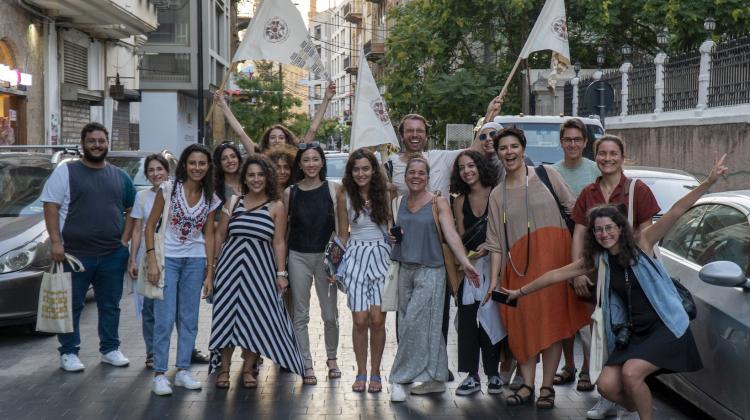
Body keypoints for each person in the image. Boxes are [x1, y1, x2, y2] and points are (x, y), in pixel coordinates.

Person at [502, 154, 727, 420]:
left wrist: (709, 182)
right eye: (598, 230)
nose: (604, 234)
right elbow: (554, 275)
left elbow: (677, 210)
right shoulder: (599, 260)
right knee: (606, 386)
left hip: (663, 325)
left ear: (620, 228)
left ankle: (645, 416)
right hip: (632, 331)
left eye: (609, 228)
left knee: (631, 373)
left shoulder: (642, 244)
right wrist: (519, 292)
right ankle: (637, 408)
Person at [484, 127, 590, 409]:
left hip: (555, 262)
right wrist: (494, 279)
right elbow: (495, 242)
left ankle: (546, 387)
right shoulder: (497, 195)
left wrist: (577, 263)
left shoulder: (545, 175)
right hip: (518, 267)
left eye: (514, 147)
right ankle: (527, 384)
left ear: (523, 149)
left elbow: (575, 211)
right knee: (522, 326)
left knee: (552, 324)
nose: (509, 153)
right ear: (498, 154)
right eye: (503, 148)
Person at [569, 135, 661, 419]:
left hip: (629, 280)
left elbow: (648, 236)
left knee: (627, 339)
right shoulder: (588, 192)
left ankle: (630, 402)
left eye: (613, 153)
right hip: (598, 279)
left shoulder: (636, 190)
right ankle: (607, 396)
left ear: (622, 157)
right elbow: (580, 233)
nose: (607, 158)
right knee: (600, 337)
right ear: (595, 157)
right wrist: (577, 271)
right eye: (602, 154)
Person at [41, 122, 136, 372]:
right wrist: (56, 242)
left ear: (107, 144)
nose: (97, 145)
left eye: (101, 141)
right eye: (92, 141)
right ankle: (69, 352)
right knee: (72, 305)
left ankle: (110, 349)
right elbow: (50, 206)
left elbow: (132, 211)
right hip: (74, 254)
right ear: (83, 144)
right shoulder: (66, 172)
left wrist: (124, 242)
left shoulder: (120, 176)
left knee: (110, 304)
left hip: (112, 254)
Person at [388, 155, 480, 403]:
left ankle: (399, 379)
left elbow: (450, 234)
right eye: (412, 173)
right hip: (405, 270)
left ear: (428, 177)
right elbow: (396, 234)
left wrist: (465, 262)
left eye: (421, 173)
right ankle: (437, 378)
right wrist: (394, 237)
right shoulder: (399, 202)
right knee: (421, 325)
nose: (416, 176)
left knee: (411, 326)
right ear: (405, 176)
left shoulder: (438, 203)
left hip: (432, 270)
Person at [208, 154, 305, 388]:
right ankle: (223, 370)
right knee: (226, 316)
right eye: (251, 175)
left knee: (256, 318)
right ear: (245, 177)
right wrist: (211, 270)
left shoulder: (276, 206)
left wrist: (281, 274)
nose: (256, 179)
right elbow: (220, 235)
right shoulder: (233, 202)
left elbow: (279, 242)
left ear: (268, 177)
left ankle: (249, 369)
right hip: (230, 268)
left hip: (260, 270)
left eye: (260, 174)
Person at [144, 144, 221, 396]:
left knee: (189, 319)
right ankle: (159, 374)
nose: (197, 168)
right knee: (164, 319)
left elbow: (209, 235)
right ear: (185, 165)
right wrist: (152, 261)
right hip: (168, 261)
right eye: (192, 163)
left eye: (202, 163)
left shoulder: (210, 196)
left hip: (196, 261)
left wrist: (210, 272)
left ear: (208, 166)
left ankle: (183, 370)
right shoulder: (168, 189)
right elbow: (149, 227)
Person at [448, 150, 510, 396]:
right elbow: (460, 238)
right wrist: (466, 261)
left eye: (471, 165)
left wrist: (491, 248)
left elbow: (507, 231)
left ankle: (493, 374)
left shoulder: (498, 193)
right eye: (462, 168)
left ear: (480, 167)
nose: (467, 171)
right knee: (467, 321)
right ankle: (471, 376)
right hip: (470, 269)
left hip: (495, 267)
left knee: (493, 320)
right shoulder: (459, 201)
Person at [549, 118, 601, 393]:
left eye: (577, 140)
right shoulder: (550, 172)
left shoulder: (596, 170)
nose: (572, 144)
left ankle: (586, 368)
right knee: (564, 312)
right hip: (559, 249)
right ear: (561, 142)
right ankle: (568, 365)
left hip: (590, 252)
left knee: (587, 313)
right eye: (567, 139)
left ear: (584, 142)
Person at [335, 148, 391, 393]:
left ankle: (376, 373)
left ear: (373, 170)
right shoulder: (343, 193)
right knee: (360, 320)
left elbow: (392, 226)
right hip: (355, 253)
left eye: (366, 168)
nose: (361, 173)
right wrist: (336, 265)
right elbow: (342, 234)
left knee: (377, 320)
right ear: (351, 171)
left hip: (382, 254)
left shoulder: (387, 193)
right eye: (356, 169)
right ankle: (361, 371)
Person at [284, 142, 340, 385]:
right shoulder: (290, 192)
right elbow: (285, 230)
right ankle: (306, 363)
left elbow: (340, 231)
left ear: (322, 162)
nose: (311, 164)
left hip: (325, 258)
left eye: (315, 159)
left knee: (330, 315)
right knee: (301, 314)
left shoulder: (333, 190)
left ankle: (332, 358)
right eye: (306, 160)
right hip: (297, 256)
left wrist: (337, 265)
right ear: (300, 163)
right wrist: (282, 265)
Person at [127, 154, 170, 369]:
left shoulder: (174, 193)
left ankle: (183, 350)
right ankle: (151, 352)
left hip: (169, 254)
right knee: (149, 307)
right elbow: (137, 229)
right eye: (151, 170)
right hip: (147, 255)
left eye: (159, 169)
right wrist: (132, 259)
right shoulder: (142, 197)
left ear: (167, 171)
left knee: (171, 306)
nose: (156, 174)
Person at [213, 81, 336, 153]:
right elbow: (241, 134)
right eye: (273, 137)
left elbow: (312, 130)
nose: (277, 140)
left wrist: (326, 99)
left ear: (287, 141)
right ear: (267, 141)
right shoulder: (260, 156)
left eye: (281, 137)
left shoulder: (297, 154)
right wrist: (223, 105)